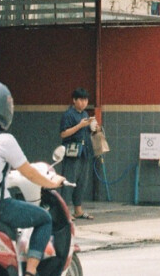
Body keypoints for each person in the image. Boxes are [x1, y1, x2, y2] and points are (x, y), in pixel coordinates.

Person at [0, 80, 64, 276]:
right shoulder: (3, 140)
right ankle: (31, 271)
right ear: (1, 107)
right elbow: (29, 173)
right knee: (44, 219)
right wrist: (52, 183)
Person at [59, 87, 97, 220]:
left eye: (85, 100)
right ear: (74, 100)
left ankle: (78, 210)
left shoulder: (85, 115)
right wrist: (79, 126)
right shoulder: (68, 115)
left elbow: (86, 132)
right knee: (69, 181)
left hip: (85, 152)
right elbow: (63, 134)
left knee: (82, 182)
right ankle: (63, 211)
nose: (83, 103)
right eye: (80, 100)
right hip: (72, 152)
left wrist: (93, 128)